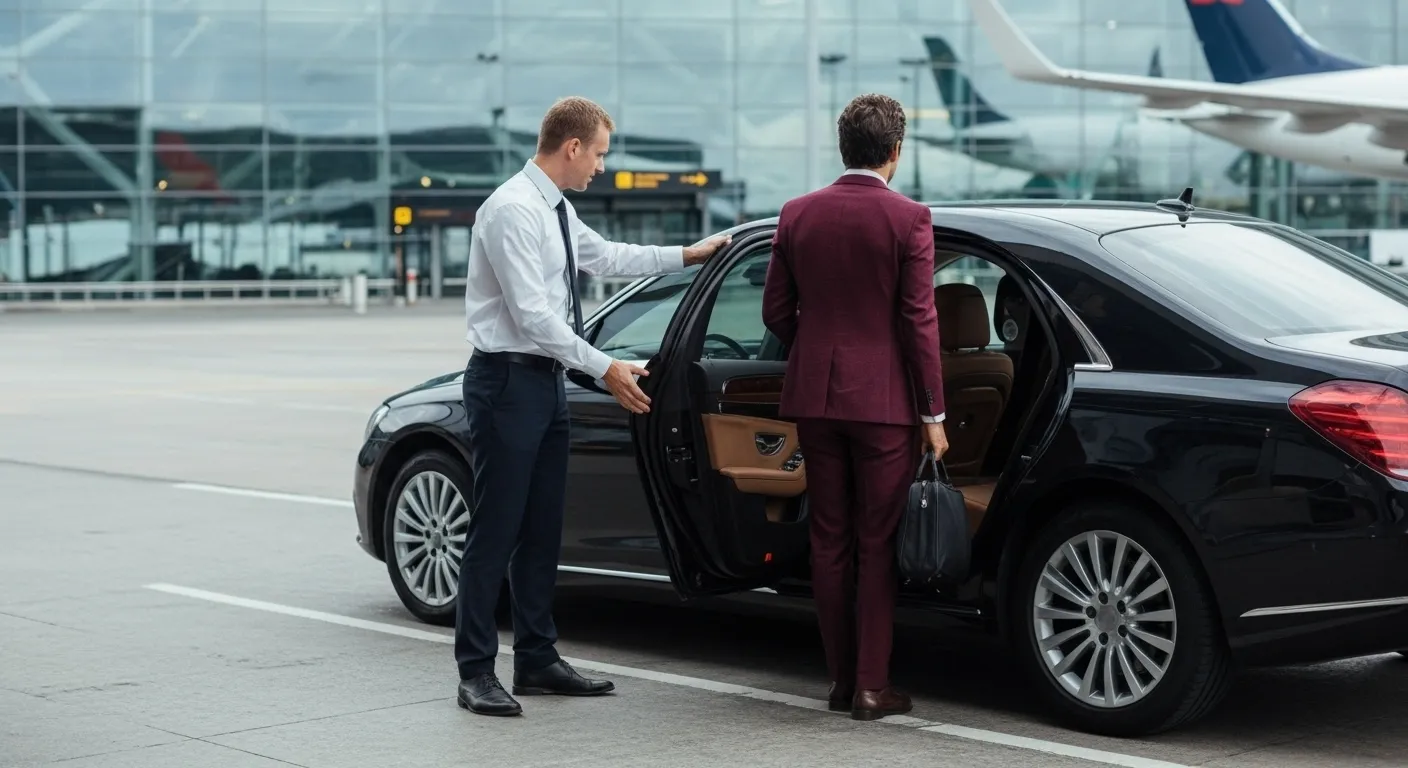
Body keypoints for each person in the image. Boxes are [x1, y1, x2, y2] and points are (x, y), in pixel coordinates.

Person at [457, 96, 731, 717]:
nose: (602, 167)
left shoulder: (555, 208)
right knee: (496, 530)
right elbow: (531, 316)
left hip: (545, 381)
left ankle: (536, 658)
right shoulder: (510, 211)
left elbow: (605, 256)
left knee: (541, 527)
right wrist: (604, 366)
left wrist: (685, 257)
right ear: (572, 146)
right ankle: (475, 670)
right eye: (600, 153)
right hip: (506, 382)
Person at [761, 93, 949, 721]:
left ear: (844, 149)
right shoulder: (910, 219)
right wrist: (933, 415)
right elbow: (919, 322)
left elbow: (773, 313)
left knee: (829, 539)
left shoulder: (796, 214)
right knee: (877, 541)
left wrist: (815, 351)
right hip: (886, 406)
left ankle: (841, 682)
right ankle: (873, 686)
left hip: (815, 399)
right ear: (896, 151)